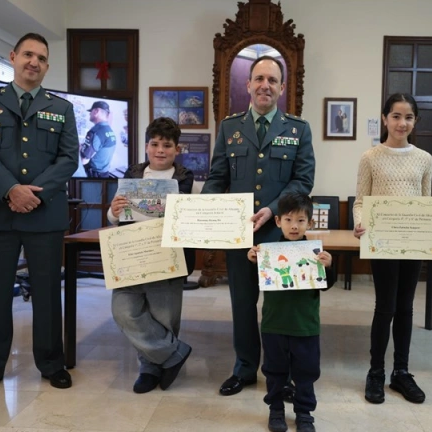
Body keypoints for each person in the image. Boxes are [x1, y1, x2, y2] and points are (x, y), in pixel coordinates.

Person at [0, 32, 79, 397]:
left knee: (47, 292)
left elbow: (68, 159)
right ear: (12, 57)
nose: (34, 62)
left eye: (41, 58)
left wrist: (32, 194)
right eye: (28, 54)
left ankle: (52, 363)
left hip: (44, 214)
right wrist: (12, 189)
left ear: (47, 66)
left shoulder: (61, 108)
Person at [201, 55, 315, 397]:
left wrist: (271, 210)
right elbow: (217, 178)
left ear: (282, 88)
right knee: (242, 304)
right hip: (240, 234)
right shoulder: (229, 127)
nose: (266, 85)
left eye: (272, 80)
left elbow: (303, 180)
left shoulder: (298, 129)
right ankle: (245, 368)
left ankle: (282, 372)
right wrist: (202, 214)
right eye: (260, 78)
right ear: (248, 84)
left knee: (283, 309)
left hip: (282, 234)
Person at [353, 93, 432, 405]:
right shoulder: (370, 157)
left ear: (415, 121)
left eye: (408, 117)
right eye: (396, 116)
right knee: (384, 307)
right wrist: (360, 223)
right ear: (385, 119)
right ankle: (375, 372)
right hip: (382, 242)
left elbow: (427, 203)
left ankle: (401, 371)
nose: (402, 123)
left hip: (414, 242)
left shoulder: (424, 158)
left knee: (406, 307)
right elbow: (360, 201)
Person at [107, 117, 194, 394]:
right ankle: (174, 354)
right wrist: (114, 211)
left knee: (163, 316)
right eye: (155, 144)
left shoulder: (185, 178)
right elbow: (114, 216)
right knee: (123, 310)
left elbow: (186, 218)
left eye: (167, 145)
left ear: (177, 149)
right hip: (131, 254)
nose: (160, 150)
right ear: (146, 146)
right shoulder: (131, 174)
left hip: (166, 257)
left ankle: (150, 368)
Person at [247, 192, 334, 432]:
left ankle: (304, 413)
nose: (294, 226)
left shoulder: (316, 254)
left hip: (305, 325)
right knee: (274, 371)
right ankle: (276, 410)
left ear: (310, 223)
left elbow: (325, 286)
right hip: (274, 323)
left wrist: (328, 267)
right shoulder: (268, 252)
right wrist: (253, 262)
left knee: (306, 371)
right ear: (278, 221)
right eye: (288, 220)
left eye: (300, 220)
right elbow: (258, 282)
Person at [81, 100, 117, 177]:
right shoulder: (110, 130)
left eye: (91, 111)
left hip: (93, 175)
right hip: (105, 174)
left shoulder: (95, 132)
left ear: (96, 111)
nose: (89, 114)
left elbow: (84, 160)